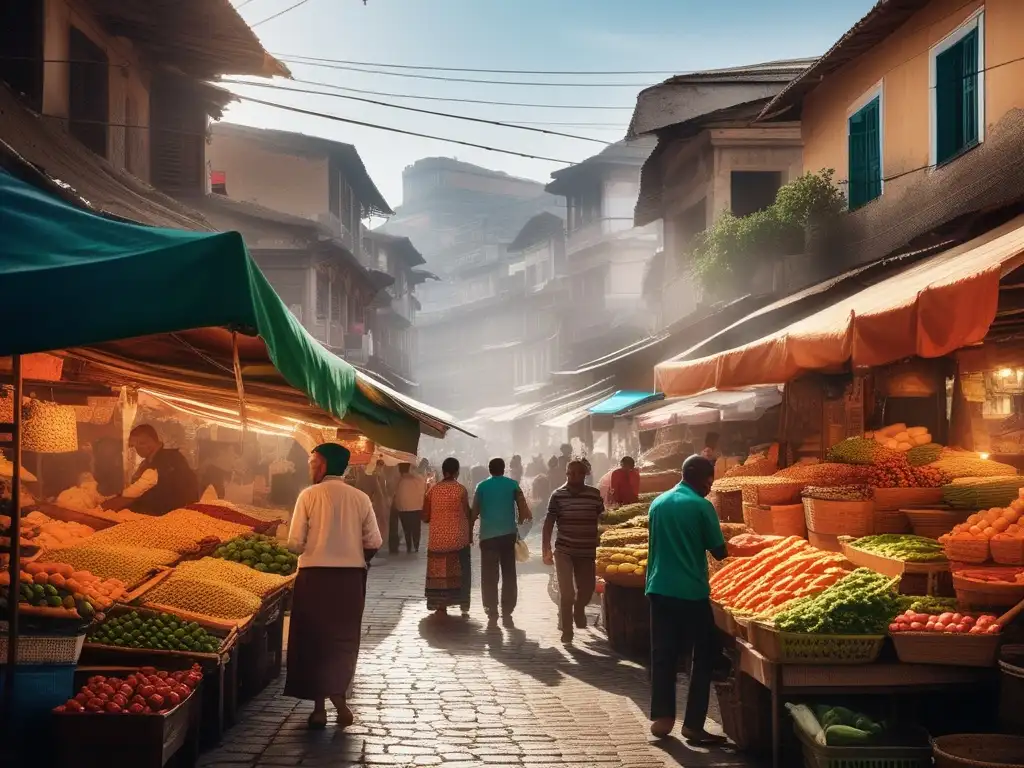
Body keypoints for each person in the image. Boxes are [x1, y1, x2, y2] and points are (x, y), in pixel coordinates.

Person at [284, 443, 381, 730]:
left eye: (314, 462)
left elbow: (294, 544)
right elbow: (374, 542)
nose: (310, 466)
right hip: (348, 582)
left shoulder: (308, 496)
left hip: (313, 579)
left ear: (325, 465)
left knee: (313, 641)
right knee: (342, 642)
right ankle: (339, 701)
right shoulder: (361, 498)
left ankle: (319, 709)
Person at [646, 455, 727, 745]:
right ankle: (693, 725)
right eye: (710, 479)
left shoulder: (658, 503)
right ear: (698, 476)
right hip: (691, 592)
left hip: (658, 587)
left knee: (663, 654)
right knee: (702, 655)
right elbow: (719, 551)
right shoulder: (702, 506)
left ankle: (663, 719)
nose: (711, 485)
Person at [543, 459, 604, 643]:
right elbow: (548, 523)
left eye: (578, 473)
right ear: (566, 474)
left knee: (587, 589)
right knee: (567, 592)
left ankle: (579, 608)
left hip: (586, 551)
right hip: (564, 551)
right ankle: (567, 630)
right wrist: (546, 548)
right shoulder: (558, 495)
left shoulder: (594, 495)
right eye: (570, 473)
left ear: (585, 474)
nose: (573, 476)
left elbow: (602, 518)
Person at [473, 457, 532, 625]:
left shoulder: (482, 486)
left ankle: (492, 608)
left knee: (489, 575)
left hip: (488, 536)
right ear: (504, 469)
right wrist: (521, 522)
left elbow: (474, 511)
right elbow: (522, 506)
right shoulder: (512, 484)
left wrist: (469, 529)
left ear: (489, 470)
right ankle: (508, 608)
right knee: (509, 573)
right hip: (508, 535)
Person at [101, 424, 199, 515]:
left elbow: (138, 490)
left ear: (145, 444)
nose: (135, 450)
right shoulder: (159, 459)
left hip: (170, 517)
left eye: (134, 446)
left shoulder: (165, 460)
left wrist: (107, 506)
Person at [422, 457, 472, 617]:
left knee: (439, 572)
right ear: (457, 472)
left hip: (437, 540)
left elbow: (425, 516)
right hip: (458, 539)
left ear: (443, 472)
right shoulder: (461, 490)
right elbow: (467, 512)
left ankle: (440, 605)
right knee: (463, 569)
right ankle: (463, 603)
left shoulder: (432, 491)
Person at [392, 463, 427, 553]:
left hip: (402, 508)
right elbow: (424, 489)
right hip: (417, 507)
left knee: (406, 528)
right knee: (416, 528)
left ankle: (409, 546)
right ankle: (416, 546)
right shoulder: (418, 479)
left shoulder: (399, 480)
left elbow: (392, 490)